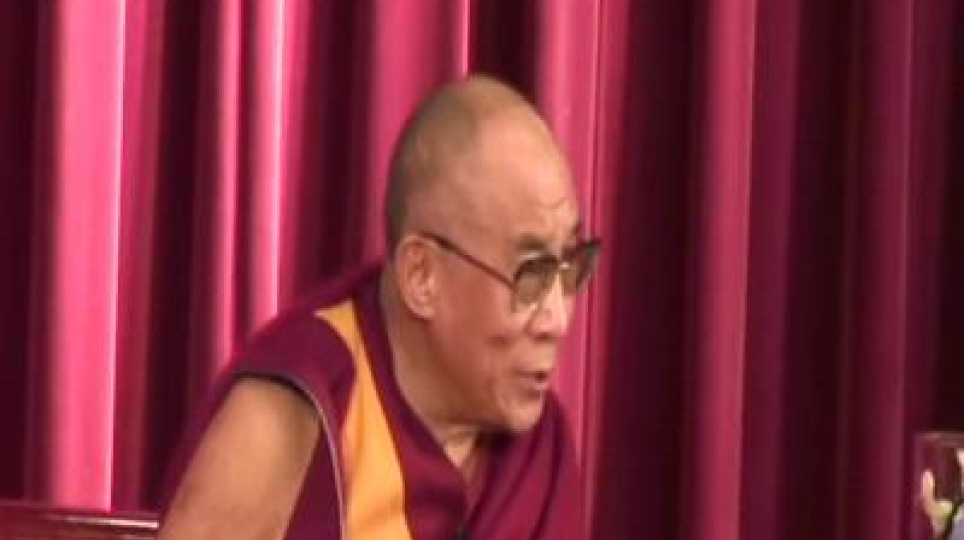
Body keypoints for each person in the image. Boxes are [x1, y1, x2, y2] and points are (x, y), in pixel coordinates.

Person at [157, 75, 600, 540]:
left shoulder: (537, 455)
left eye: (571, 267)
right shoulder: (292, 415)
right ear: (421, 277)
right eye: (531, 276)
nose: (557, 320)